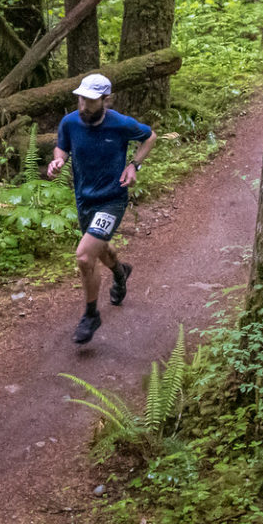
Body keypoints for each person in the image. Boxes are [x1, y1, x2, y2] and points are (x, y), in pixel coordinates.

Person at [45, 73, 156, 345]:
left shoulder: (120, 124)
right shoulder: (70, 122)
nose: (83, 105)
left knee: (84, 257)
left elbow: (150, 136)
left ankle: (91, 315)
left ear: (106, 100)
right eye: (81, 98)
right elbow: (62, 148)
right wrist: (57, 162)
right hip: (84, 199)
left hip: (112, 199)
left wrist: (134, 165)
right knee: (100, 248)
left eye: (91, 101)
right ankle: (120, 272)